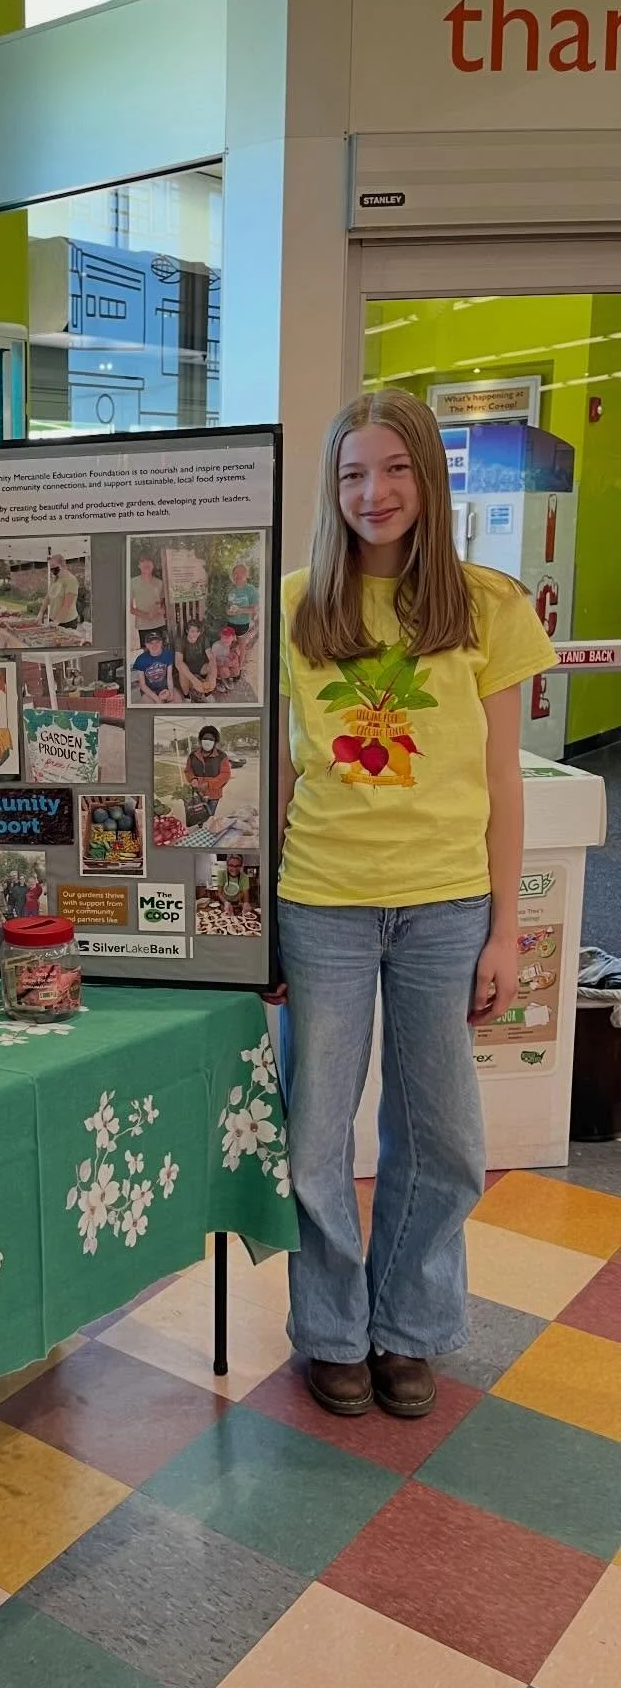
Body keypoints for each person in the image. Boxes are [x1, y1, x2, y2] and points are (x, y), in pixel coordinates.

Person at [277, 387, 555, 1421]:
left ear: (429, 480)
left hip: (446, 908)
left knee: (439, 1136)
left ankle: (407, 1326)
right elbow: (278, 776)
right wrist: (256, 917)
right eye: (353, 472)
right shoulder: (301, 604)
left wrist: (503, 927)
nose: (374, 491)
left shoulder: (489, 607)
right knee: (315, 1137)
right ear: (331, 486)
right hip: (324, 902)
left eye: (396, 470)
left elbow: (505, 779)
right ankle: (332, 1331)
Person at [184, 723, 232, 820]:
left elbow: (225, 774)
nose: (208, 741)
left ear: (215, 742)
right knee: (197, 814)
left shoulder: (222, 756)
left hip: (214, 794)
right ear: (200, 740)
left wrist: (208, 784)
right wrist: (192, 778)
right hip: (197, 793)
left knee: (209, 816)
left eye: (211, 739)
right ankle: (200, 824)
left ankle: (206, 826)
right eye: (205, 738)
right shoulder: (193, 755)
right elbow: (188, 770)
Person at [224, 558, 260, 667]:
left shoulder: (250, 589)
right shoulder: (230, 589)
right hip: (230, 622)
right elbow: (227, 606)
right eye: (235, 573)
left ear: (246, 574)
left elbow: (254, 609)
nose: (237, 575)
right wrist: (228, 612)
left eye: (241, 572)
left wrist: (240, 610)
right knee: (228, 645)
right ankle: (229, 666)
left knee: (241, 646)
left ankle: (239, 667)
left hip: (242, 624)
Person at [131, 628, 180, 703]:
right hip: (150, 690)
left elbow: (169, 677)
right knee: (149, 705)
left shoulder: (168, 654)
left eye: (157, 642)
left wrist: (170, 692)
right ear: (146, 645)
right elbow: (142, 685)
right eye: (151, 643)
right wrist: (157, 699)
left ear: (161, 643)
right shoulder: (141, 659)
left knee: (178, 700)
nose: (154, 645)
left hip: (165, 688)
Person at [175, 616, 216, 701]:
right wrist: (194, 681)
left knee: (211, 665)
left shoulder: (203, 638)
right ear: (187, 631)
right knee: (182, 670)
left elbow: (211, 657)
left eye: (198, 631)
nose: (196, 634)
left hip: (200, 667)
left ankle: (207, 692)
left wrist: (213, 677)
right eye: (193, 631)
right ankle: (186, 696)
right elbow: (178, 663)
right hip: (188, 669)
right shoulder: (180, 641)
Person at [129, 553, 167, 640]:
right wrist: (147, 615)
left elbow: (162, 604)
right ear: (139, 565)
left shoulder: (160, 583)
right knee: (146, 651)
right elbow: (130, 608)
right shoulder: (132, 583)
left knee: (159, 650)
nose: (146, 564)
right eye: (142, 561)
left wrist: (163, 610)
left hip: (159, 624)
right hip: (143, 626)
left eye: (149, 561)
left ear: (153, 565)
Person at [41, 552, 80, 631]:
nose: (51, 569)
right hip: (53, 620)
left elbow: (67, 606)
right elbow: (48, 596)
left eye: (53, 566)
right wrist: (41, 613)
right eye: (50, 567)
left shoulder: (71, 580)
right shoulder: (56, 578)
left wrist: (56, 622)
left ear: (62, 565)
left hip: (67, 622)